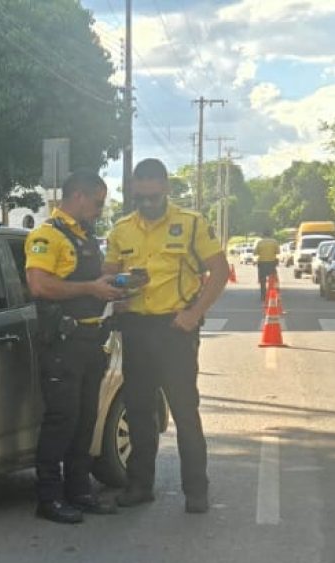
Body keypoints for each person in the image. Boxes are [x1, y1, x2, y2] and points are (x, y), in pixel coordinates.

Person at [104, 158, 230, 514]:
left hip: (175, 329)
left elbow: (219, 271)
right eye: (140, 197)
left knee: (185, 411)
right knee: (140, 411)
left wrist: (194, 314)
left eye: (153, 196)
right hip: (137, 328)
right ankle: (140, 485)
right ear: (132, 191)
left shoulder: (190, 224)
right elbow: (108, 275)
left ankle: (196, 490)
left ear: (166, 189)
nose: (147, 204)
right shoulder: (121, 230)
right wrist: (121, 292)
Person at [25, 170, 129, 524]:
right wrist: (90, 289)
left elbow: (90, 282)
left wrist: (115, 286)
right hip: (63, 344)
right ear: (79, 196)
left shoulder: (85, 236)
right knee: (61, 422)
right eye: (98, 203)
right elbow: (39, 286)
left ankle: (79, 491)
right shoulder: (46, 236)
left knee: (86, 421)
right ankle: (49, 498)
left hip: (90, 341)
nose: (101, 210)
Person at [254, 228, 280, 303]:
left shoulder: (260, 242)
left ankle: (263, 296)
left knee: (262, 281)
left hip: (262, 263)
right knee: (272, 280)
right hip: (272, 263)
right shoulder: (274, 242)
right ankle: (272, 295)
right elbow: (278, 252)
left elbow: (255, 252)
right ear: (270, 234)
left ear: (263, 234)